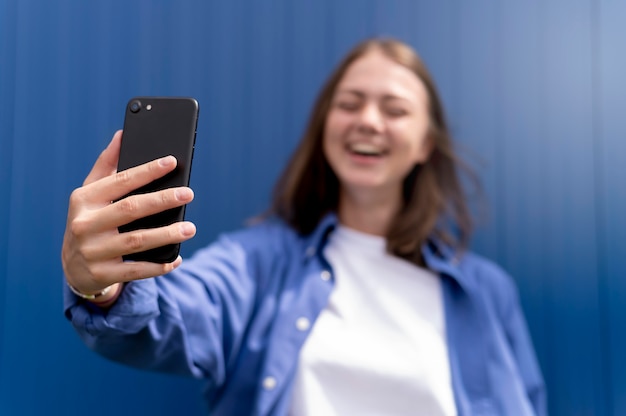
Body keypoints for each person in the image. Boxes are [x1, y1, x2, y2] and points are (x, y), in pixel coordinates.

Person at [62, 38, 546, 415]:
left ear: (425, 145)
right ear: (325, 126)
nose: (369, 121)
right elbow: (171, 315)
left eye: (395, 110)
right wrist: (102, 283)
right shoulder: (259, 262)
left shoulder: (486, 292)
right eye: (350, 103)